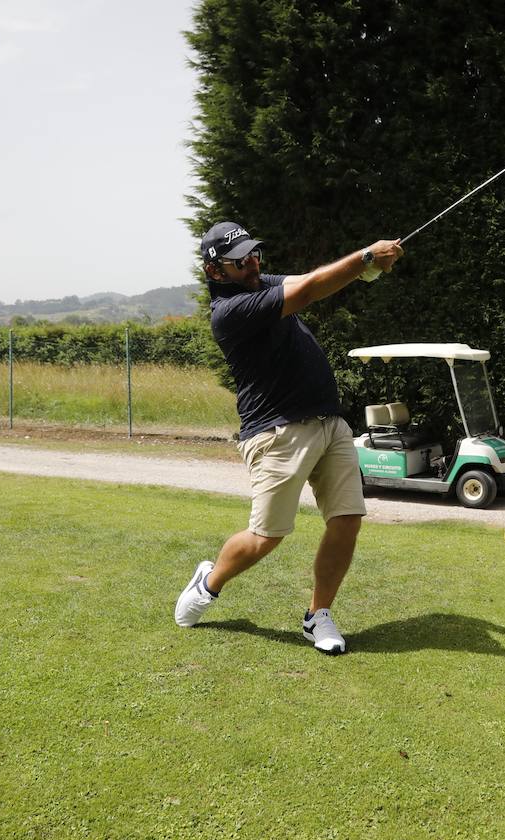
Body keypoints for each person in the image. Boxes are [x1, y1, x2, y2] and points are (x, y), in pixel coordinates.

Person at [173, 221, 404, 655]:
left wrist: (365, 270)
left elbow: (305, 279)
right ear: (215, 272)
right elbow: (309, 290)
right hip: (276, 431)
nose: (253, 263)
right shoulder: (230, 311)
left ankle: (318, 615)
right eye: (240, 261)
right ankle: (210, 581)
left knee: (347, 518)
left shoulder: (258, 279)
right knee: (267, 537)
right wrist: (366, 257)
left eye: (255, 254)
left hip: (329, 422)